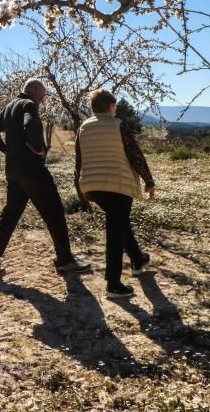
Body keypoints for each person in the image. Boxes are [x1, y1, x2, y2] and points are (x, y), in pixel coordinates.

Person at [0, 78, 91, 276]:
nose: (45, 97)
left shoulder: (10, 106)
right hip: (32, 169)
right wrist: (38, 148)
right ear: (33, 91)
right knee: (55, 211)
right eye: (43, 92)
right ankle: (65, 260)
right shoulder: (29, 104)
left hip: (14, 170)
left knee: (10, 214)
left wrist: (8, 151)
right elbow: (30, 124)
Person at [74, 88, 156, 299]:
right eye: (115, 106)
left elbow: (79, 160)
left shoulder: (83, 127)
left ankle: (138, 259)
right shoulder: (118, 125)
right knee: (115, 230)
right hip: (118, 185)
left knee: (119, 223)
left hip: (92, 186)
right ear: (110, 106)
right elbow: (135, 154)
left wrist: (81, 189)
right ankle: (113, 284)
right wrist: (149, 181)